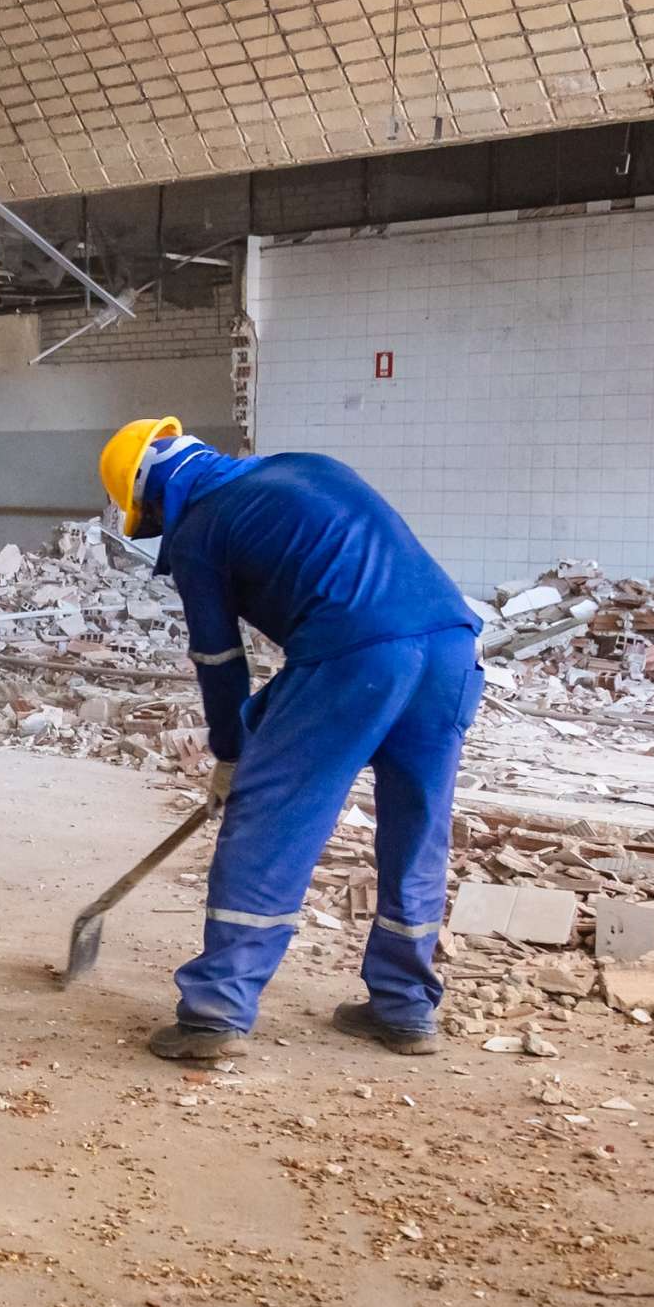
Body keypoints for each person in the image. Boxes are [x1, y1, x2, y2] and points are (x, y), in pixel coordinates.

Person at [99, 417, 482, 1063]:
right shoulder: (305, 467)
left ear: (154, 493)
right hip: (451, 645)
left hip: (358, 655)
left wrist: (230, 754)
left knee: (271, 816)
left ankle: (217, 1009)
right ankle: (404, 1004)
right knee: (418, 825)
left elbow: (219, 658)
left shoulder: (200, 526)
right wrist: (255, 727)